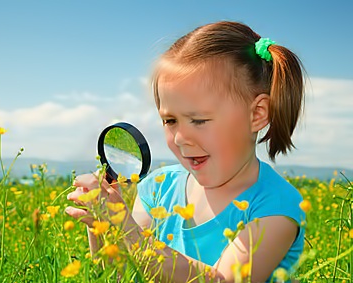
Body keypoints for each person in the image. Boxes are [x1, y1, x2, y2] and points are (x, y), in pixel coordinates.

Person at [66, 21, 306, 282]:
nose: (180, 138)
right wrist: (103, 226)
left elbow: (224, 280)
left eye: (199, 120)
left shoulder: (276, 206)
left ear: (257, 114)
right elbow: (120, 274)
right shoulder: (158, 188)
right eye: (170, 121)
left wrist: (127, 229)